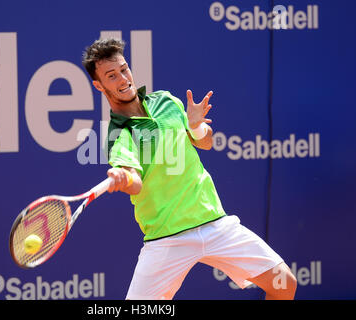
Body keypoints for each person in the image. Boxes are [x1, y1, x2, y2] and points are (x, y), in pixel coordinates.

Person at [81, 38, 297, 300]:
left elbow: (204, 141)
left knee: (284, 283)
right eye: (111, 76)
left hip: (213, 222)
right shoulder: (118, 134)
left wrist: (195, 126)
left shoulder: (166, 102)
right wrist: (122, 177)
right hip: (166, 240)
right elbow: (135, 182)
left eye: (124, 69)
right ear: (99, 85)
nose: (123, 79)